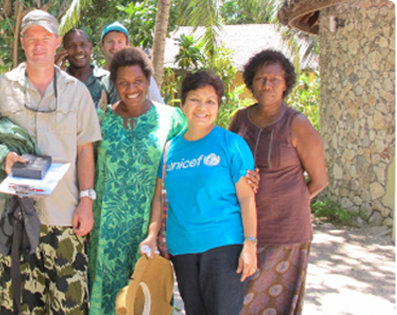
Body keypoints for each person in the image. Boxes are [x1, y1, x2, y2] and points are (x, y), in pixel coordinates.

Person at [0, 10, 101, 314]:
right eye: (31, 38)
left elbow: (85, 150)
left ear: (57, 44)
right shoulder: (0, 87)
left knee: (69, 304)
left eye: (45, 38)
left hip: (63, 215)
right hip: (14, 215)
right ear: (22, 42)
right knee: (18, 304)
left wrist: (86, 201)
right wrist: (3, 155)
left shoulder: (77, 93)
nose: (38, 45)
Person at [88, 47, 187, 315]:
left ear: (148, 80)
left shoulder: (172, 119)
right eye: (123, 83)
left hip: (150, 225)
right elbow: (84, 162)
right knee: (107, 294)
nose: (131, 88)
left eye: (138, 81)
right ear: (114, 85)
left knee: (146, 295)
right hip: (105, 228)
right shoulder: (101, 119)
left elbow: (194, 155)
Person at [229, 49, 329, 315]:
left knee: (277, 305)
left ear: (286, 84)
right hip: (243, 231)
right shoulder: (239, 119)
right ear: (251, 82)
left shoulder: (297, 124)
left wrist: (292, 203)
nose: (267, 85)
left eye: (275, 79)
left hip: (287, 235)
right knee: (239, 303)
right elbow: (226, 165)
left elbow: (320, 180)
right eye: (261, 78)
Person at [162, 70, 258, 315]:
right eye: (195, 99)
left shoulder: (232, 144)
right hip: (182, 248)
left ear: (217, 107)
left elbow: (247, 198)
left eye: (210, 101)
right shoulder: (170, 149)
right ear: (182, 103)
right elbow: (159, 197)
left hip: (224, 246)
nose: (202, 107)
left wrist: (250, 244)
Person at [100, 21, 164, 104]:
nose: (115, 47)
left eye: (120, 42)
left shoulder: (143, 77)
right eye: (110, 42)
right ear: (102, 45)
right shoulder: (96, 79)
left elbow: (159, 108)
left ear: (127, 46)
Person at [57, 28, 119, 106]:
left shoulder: (108, 80)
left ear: (91, 48)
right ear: (64, 52)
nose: (78, 50)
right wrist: (55, 77)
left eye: (83, 45)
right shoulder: (59, 80)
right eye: (72, 46)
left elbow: (118, 115)